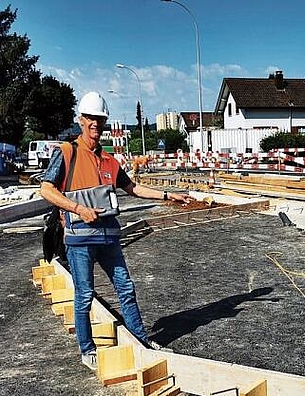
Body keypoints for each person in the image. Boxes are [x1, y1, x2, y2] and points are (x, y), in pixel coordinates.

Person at [39, 91, 192, 371]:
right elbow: (46, 189)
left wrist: (169, 195)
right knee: (85, 295)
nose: (95, 124)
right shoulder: (66, 153)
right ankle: (88, 350)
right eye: (91, 119)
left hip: (109, 237)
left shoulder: (110, 160)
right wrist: (77, 209)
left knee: (126, 288)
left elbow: (132, 188)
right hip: (80, 239)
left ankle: (140, 341)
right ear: (81, 120)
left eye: (100, 119)